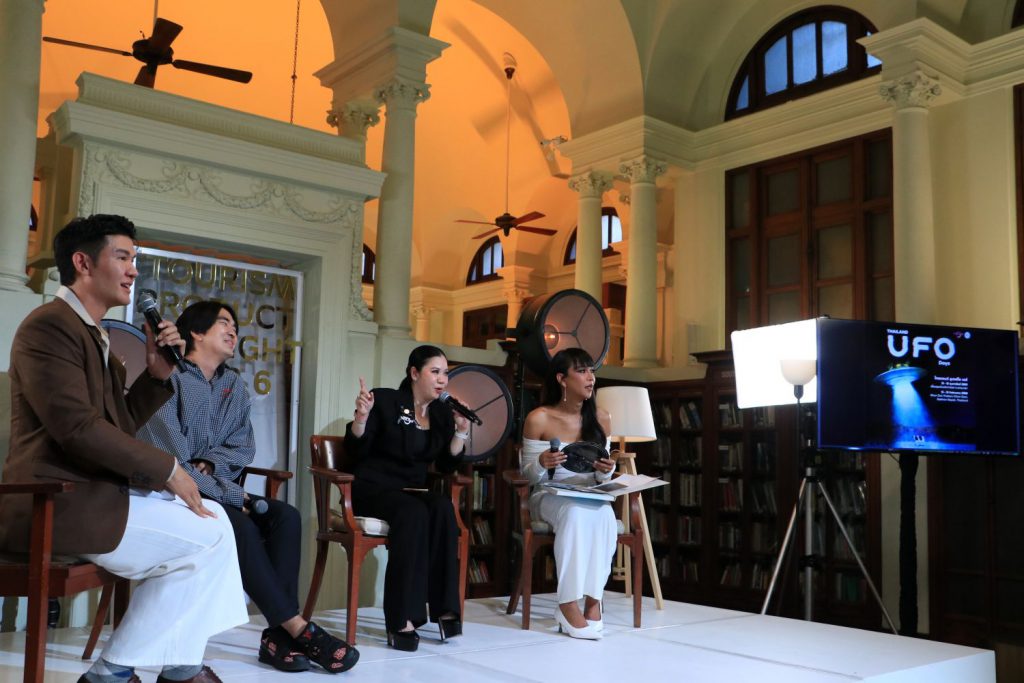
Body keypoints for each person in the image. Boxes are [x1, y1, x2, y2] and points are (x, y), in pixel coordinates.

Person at [0, 214, 249, 683]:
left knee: (214, 521)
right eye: (122, 257)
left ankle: (155, 669)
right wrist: (168, 468)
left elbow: (118, 425)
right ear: (83, 263)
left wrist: (157, 374)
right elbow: (77, 429)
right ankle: (141, 672)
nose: (134, 270)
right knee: (210, 538)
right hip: (53, 501)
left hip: (92, 491)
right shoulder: (49, 327)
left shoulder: (94, 332)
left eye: (134, 258)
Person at [136, 300, 358, 674]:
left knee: (286, 516)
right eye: (224, 323)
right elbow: (172, 461)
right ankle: (296, 628)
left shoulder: (234, 385)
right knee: (238, 523)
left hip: (215, 487)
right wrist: (232, 494)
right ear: (196, 333)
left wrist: (213, 462)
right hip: (169, 494)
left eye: (235, 327)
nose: (233, 331)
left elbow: (242, 446)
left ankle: (277, 638)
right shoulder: (168, 378)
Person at [345, 345, 469, 651]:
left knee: (442, 507)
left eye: (445, 374)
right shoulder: (385, 400)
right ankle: (402, 618)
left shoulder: (441, 413)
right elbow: (355, 450)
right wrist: (361, 418)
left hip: (410, 493)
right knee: (413, 513)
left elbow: (446, 465)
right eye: (435, 372)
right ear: (414, 373)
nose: (442, 380)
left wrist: (461, 432)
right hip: (372, 489)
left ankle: (444, 608)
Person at [520, 347, 618, 640]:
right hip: (549, 495)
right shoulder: (539, 418)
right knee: (575, 514)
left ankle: (593, 600)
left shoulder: (601, 417)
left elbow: (602, 476)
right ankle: (567, 604)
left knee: (606, 516)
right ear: (562, 379)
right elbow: (528, 476)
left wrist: (606, 471)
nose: (591, 378)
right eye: (582, 371)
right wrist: (541, 462)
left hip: (590, 492)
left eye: (592, 371)